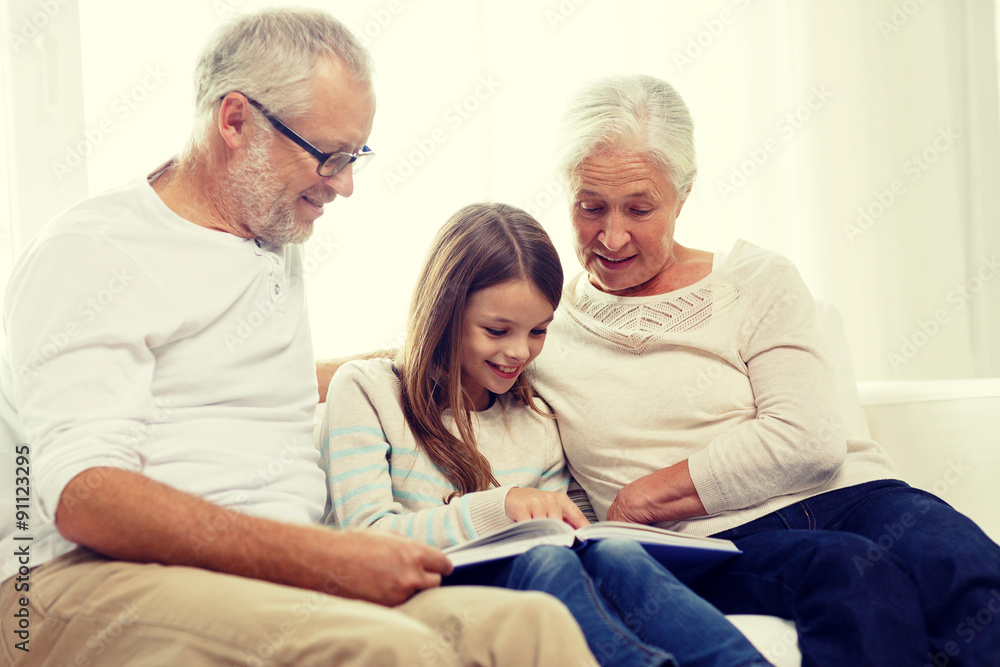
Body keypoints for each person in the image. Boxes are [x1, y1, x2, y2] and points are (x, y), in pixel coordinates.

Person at [0, 9, 598, 666]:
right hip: (73, 578)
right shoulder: (94, 251)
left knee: (531, 627)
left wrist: (424, 358)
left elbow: (223, 377)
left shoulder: (266, 233)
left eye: (355, 156)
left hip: (261, 578)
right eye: (329, 155)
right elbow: (84, 496)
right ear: (234, 121)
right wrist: (325, 554)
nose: (343, 184)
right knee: (391, 649)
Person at [529, 73, 1000, 665]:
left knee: (967, 567)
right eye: (589, 207)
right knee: (856, 584)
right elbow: (443, 353)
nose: (612, 235)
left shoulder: (757, 280)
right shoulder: (541, 330)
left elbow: (807, 440)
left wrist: (641, 498)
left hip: (856, 497)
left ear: (684, 195)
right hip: (716, 543)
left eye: (640, 208)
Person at [322, 202, 773, 667]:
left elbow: (566, 537)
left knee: (616, 553)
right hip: (423, 590)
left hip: (535, 585)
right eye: (497, 330)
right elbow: (366, 541)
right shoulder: (368, 389)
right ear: (444, 312)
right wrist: (501, 507)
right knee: (546, 562)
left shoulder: (535, 416)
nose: (519, 352)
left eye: (538, 331)